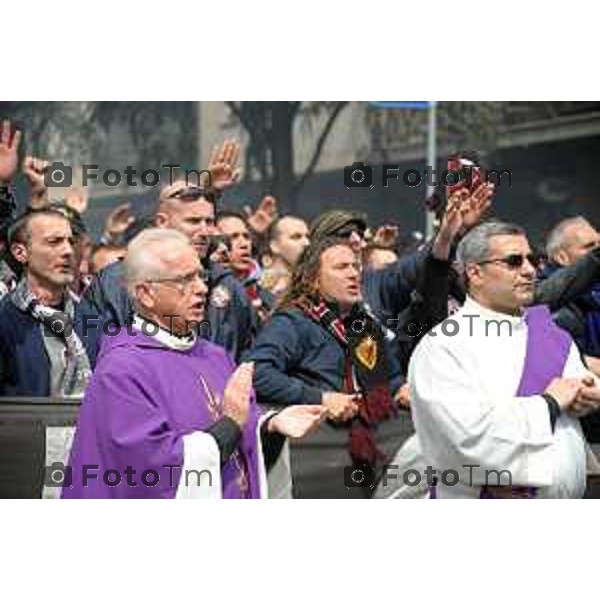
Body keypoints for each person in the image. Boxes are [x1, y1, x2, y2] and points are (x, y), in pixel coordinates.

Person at [63, 229, 324, 499]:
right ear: (146, 293)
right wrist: (232, 423)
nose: (201, 288)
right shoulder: (121, 370)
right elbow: (153, 471)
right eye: (184, 280)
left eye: (201, 276)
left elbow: (240, 430)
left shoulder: (215, 356)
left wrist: (269, 426)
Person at [409, 221, 600, 499]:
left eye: (532, 259)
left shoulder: (554, 335)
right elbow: (463, 438)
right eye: (514, 261)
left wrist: (590, 398)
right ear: (475, 272)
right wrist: (547, 405)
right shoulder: (444, 346)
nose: (529, 270)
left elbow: (576, 398)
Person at [247, 237, 407, 498]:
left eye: (355, 266)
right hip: (312, 466)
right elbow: (256, 373)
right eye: (341, 267)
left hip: (367, 456)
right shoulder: (291, 322)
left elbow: (388, 379)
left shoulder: (366, 326)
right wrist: (321, 398)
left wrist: (402, 389)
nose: (354, 273)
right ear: (312, 279)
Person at [83, 182, 255, 361]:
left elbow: (249, 358)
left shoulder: (227, 285)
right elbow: (95, 357)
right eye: (193, 221)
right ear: (162, 223)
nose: (205, 231)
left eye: (209, 222)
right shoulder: (115, 282)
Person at [0, 208, 96, 396]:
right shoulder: (4, 323)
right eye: (54, 242)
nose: (68, 251)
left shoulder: (94, 321)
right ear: (20, 253)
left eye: (71, 241)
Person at [216, 211, 274, 332]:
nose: (244, 244)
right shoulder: (205, 290)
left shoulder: (267, 297)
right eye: (233, 237)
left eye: (246, 237)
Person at [261, 215, 310, 298]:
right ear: (275, 246)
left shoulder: (310, 284)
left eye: (308, 237)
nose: (307, 243)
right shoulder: (259, 289)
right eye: (296, 237)